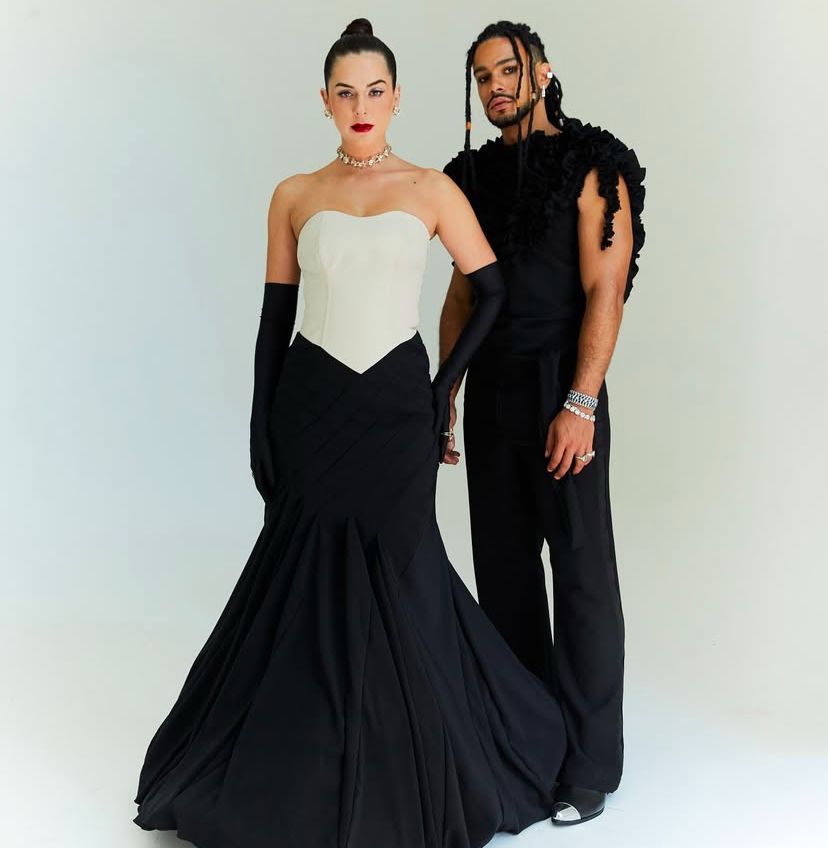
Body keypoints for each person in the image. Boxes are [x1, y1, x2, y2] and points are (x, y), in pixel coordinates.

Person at [133, 18, 568, 848]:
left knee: (404, 579)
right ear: (325, 101)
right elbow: (275, 321)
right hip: (311, 407)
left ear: (396, 98)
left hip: (398, 408)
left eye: (374, 91)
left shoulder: (433, 190)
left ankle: (419, 764)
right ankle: (301, 771)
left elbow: (492, 290)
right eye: (345, 92)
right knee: (301, 581)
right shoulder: (294, 195)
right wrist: (259, 422)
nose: (361, 105)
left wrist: (442, 386)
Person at [440, 20, 646, 826]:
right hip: (491, 391)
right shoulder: (468, 177)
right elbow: (461, 295)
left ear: (542, 71)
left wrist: (580, 402)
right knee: (505, 574)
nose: (495, 86)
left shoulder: (594, 163)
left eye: (508, 70)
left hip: (563, 388)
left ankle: (589, 768)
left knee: (583, 573)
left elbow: (605, 289)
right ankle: (527, 750)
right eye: (482, 76)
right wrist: (445, 392)